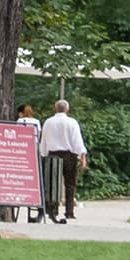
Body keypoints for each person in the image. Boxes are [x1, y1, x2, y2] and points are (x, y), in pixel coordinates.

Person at [38, 93, 88, 223]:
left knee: (53, 183)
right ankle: (69, 211)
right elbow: (77, 141)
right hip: (69, 156)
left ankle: (52, 209)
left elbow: (44, 140)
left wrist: (43, 154)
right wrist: (82, 157)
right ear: (67, 109)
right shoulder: (72, 123)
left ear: (55, 109)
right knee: (70, 184)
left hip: (53, 155)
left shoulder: (48, 122)